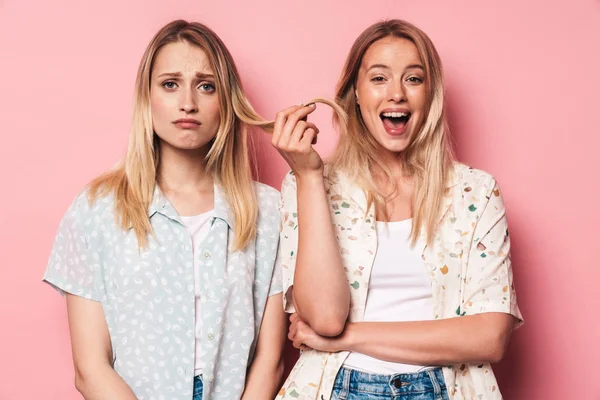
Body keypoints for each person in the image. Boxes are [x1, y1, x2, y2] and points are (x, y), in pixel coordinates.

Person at [273, 19, 523, 400]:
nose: (397, 95)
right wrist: (309, 178)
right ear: (354, 92)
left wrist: (352, 336)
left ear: (430, 94)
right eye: (378, 79)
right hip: (337, 386)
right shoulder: (304, 184)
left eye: (413, 79)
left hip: (446, 388)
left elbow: (490, 337)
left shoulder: (477, 191)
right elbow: (324, 318)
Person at [43, 20, 286, 400]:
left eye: (206, 86)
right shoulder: (95, 210)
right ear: (148, 96)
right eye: (170, 84)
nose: (188, 102)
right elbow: (90, 369)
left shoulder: (269, 211)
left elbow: (270, 361)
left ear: (227, 100)